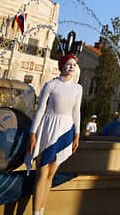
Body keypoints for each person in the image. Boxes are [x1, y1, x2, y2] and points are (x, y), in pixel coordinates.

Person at [28, 54, 82, 215]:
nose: (72, 67)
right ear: (61, 66)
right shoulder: (51, 85)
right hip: (49, 128)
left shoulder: (77, 88)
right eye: (68, 64)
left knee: (51, 175)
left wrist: (77, 134)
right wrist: (33, 133)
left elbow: (76, 112)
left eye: (74, 64)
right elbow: (40, 111)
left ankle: (41, 211)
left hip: (66, 130)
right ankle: (35, 213)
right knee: (42, 173)